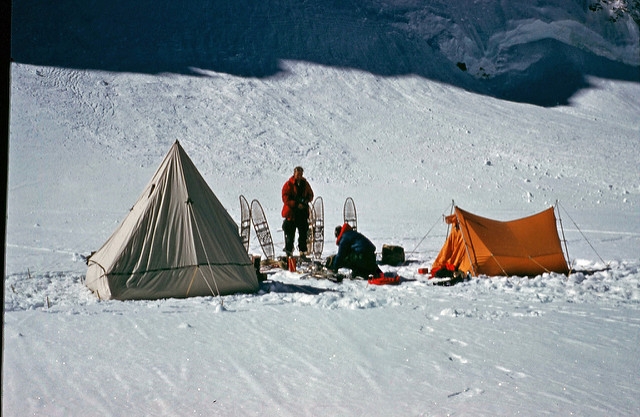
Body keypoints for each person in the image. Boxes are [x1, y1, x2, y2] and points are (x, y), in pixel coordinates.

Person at [281, 166, 314, 257]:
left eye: (301, 174)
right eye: (297, 173)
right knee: (290, 235)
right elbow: (285, 198)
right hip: (292, 213)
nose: (299, 176)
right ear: (294, 173)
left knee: (303, 234)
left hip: (302, 214)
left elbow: (311, 195)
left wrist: (305, 201)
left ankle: (302, 252)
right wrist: (296, 204)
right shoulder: (288, 184)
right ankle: (289, 252)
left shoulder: (305, 184)